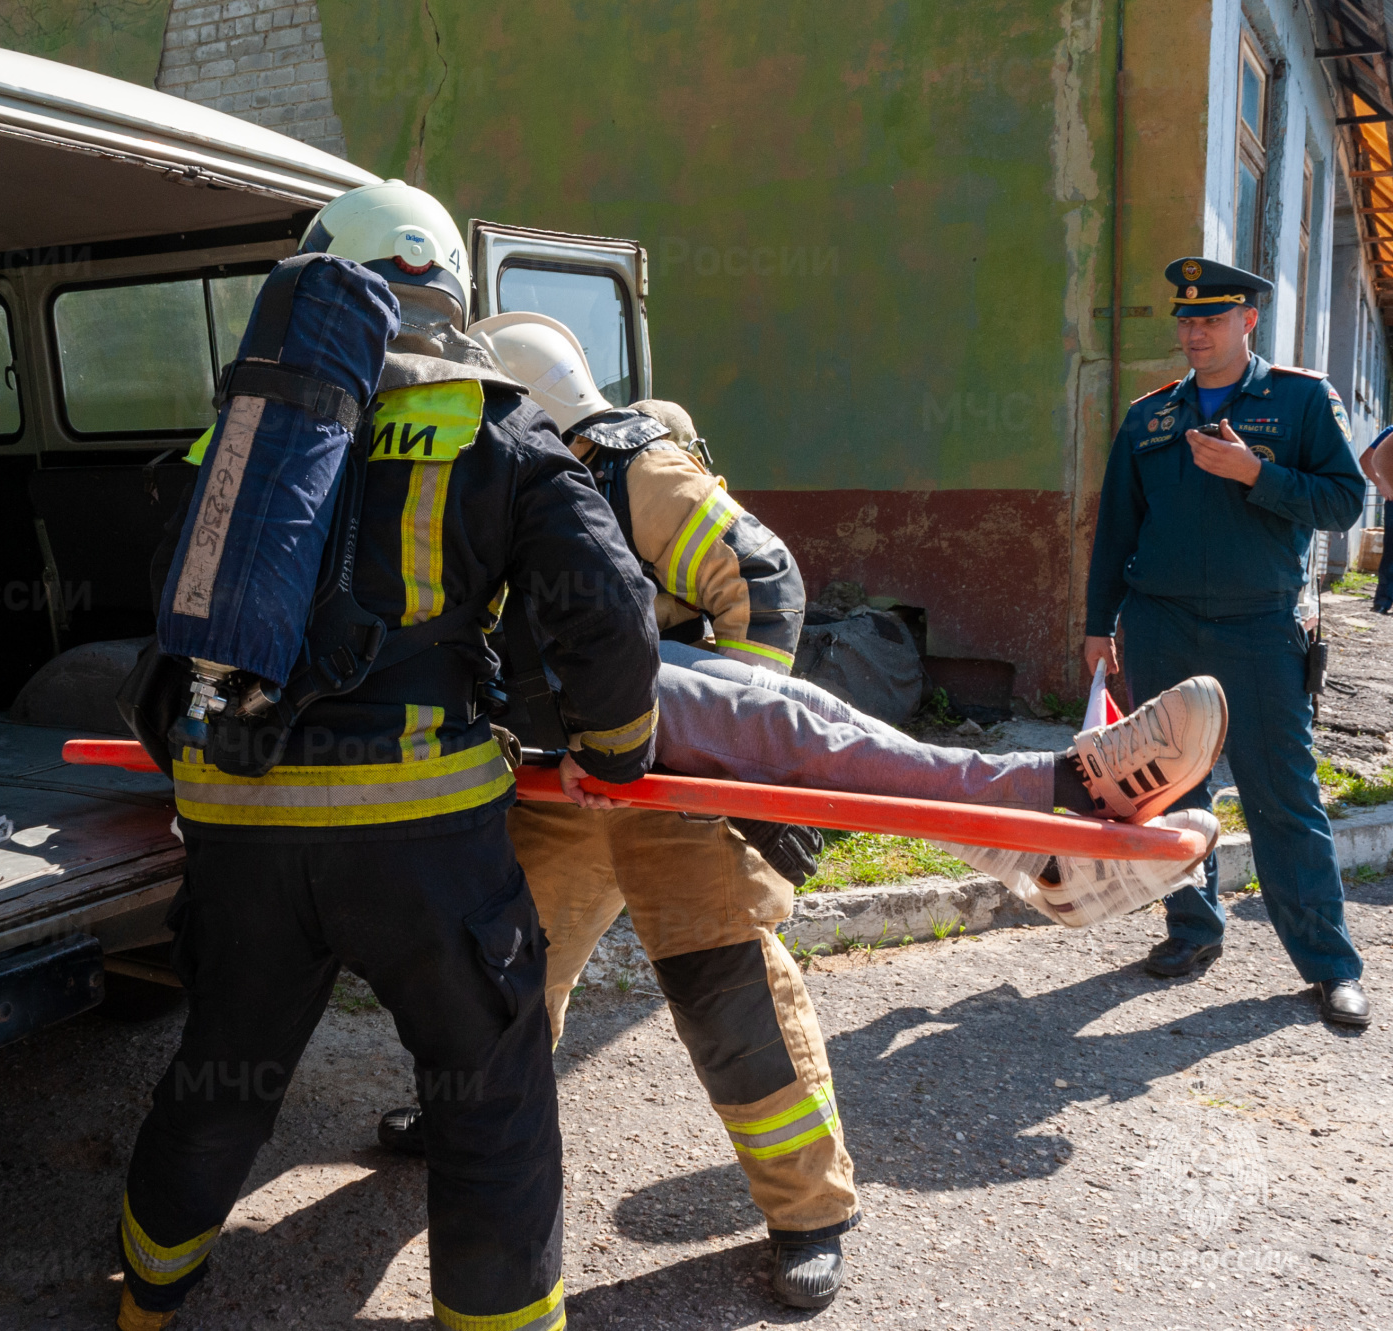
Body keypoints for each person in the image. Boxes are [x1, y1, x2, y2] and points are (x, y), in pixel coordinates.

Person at [373, 316, 1228, 1310]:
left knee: (729, 1003)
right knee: (499, 975)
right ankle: (463, 1119)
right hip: (562, 785)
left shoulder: (625, 471)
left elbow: (763, 581)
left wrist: (705, 745)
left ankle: (807, 1214)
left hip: (671, 793)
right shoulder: (491, 491)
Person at [113, 181, 662, 1331]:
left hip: (243, 824)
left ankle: (149, 1290)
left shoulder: (242, 431)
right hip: (421, 842)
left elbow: (173, 619)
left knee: (223, 1071)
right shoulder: (498, 422)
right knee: (487, 1094)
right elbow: (605, 607)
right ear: (450, 293)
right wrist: (615, 749)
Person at [1084, 256, 1370, 1026]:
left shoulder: (1302, 400)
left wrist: (1257, 474)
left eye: (1211, 318)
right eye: (1185, 318)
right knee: (1172, 791)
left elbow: (1346, 501)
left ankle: (1330, 963)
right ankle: (1193, 929)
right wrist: (1095, 624)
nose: (1194, 331)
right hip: (1161, 624)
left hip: (1259, 627)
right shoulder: (1150, 417)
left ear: (1248, 321)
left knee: (1284, 797)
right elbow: (1116, 528)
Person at [1361, 424, 1393, 614]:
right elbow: (1366, 459)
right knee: (1391, 552)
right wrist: (1383, 484)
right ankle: (1383, 601)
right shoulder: (1390, 431)